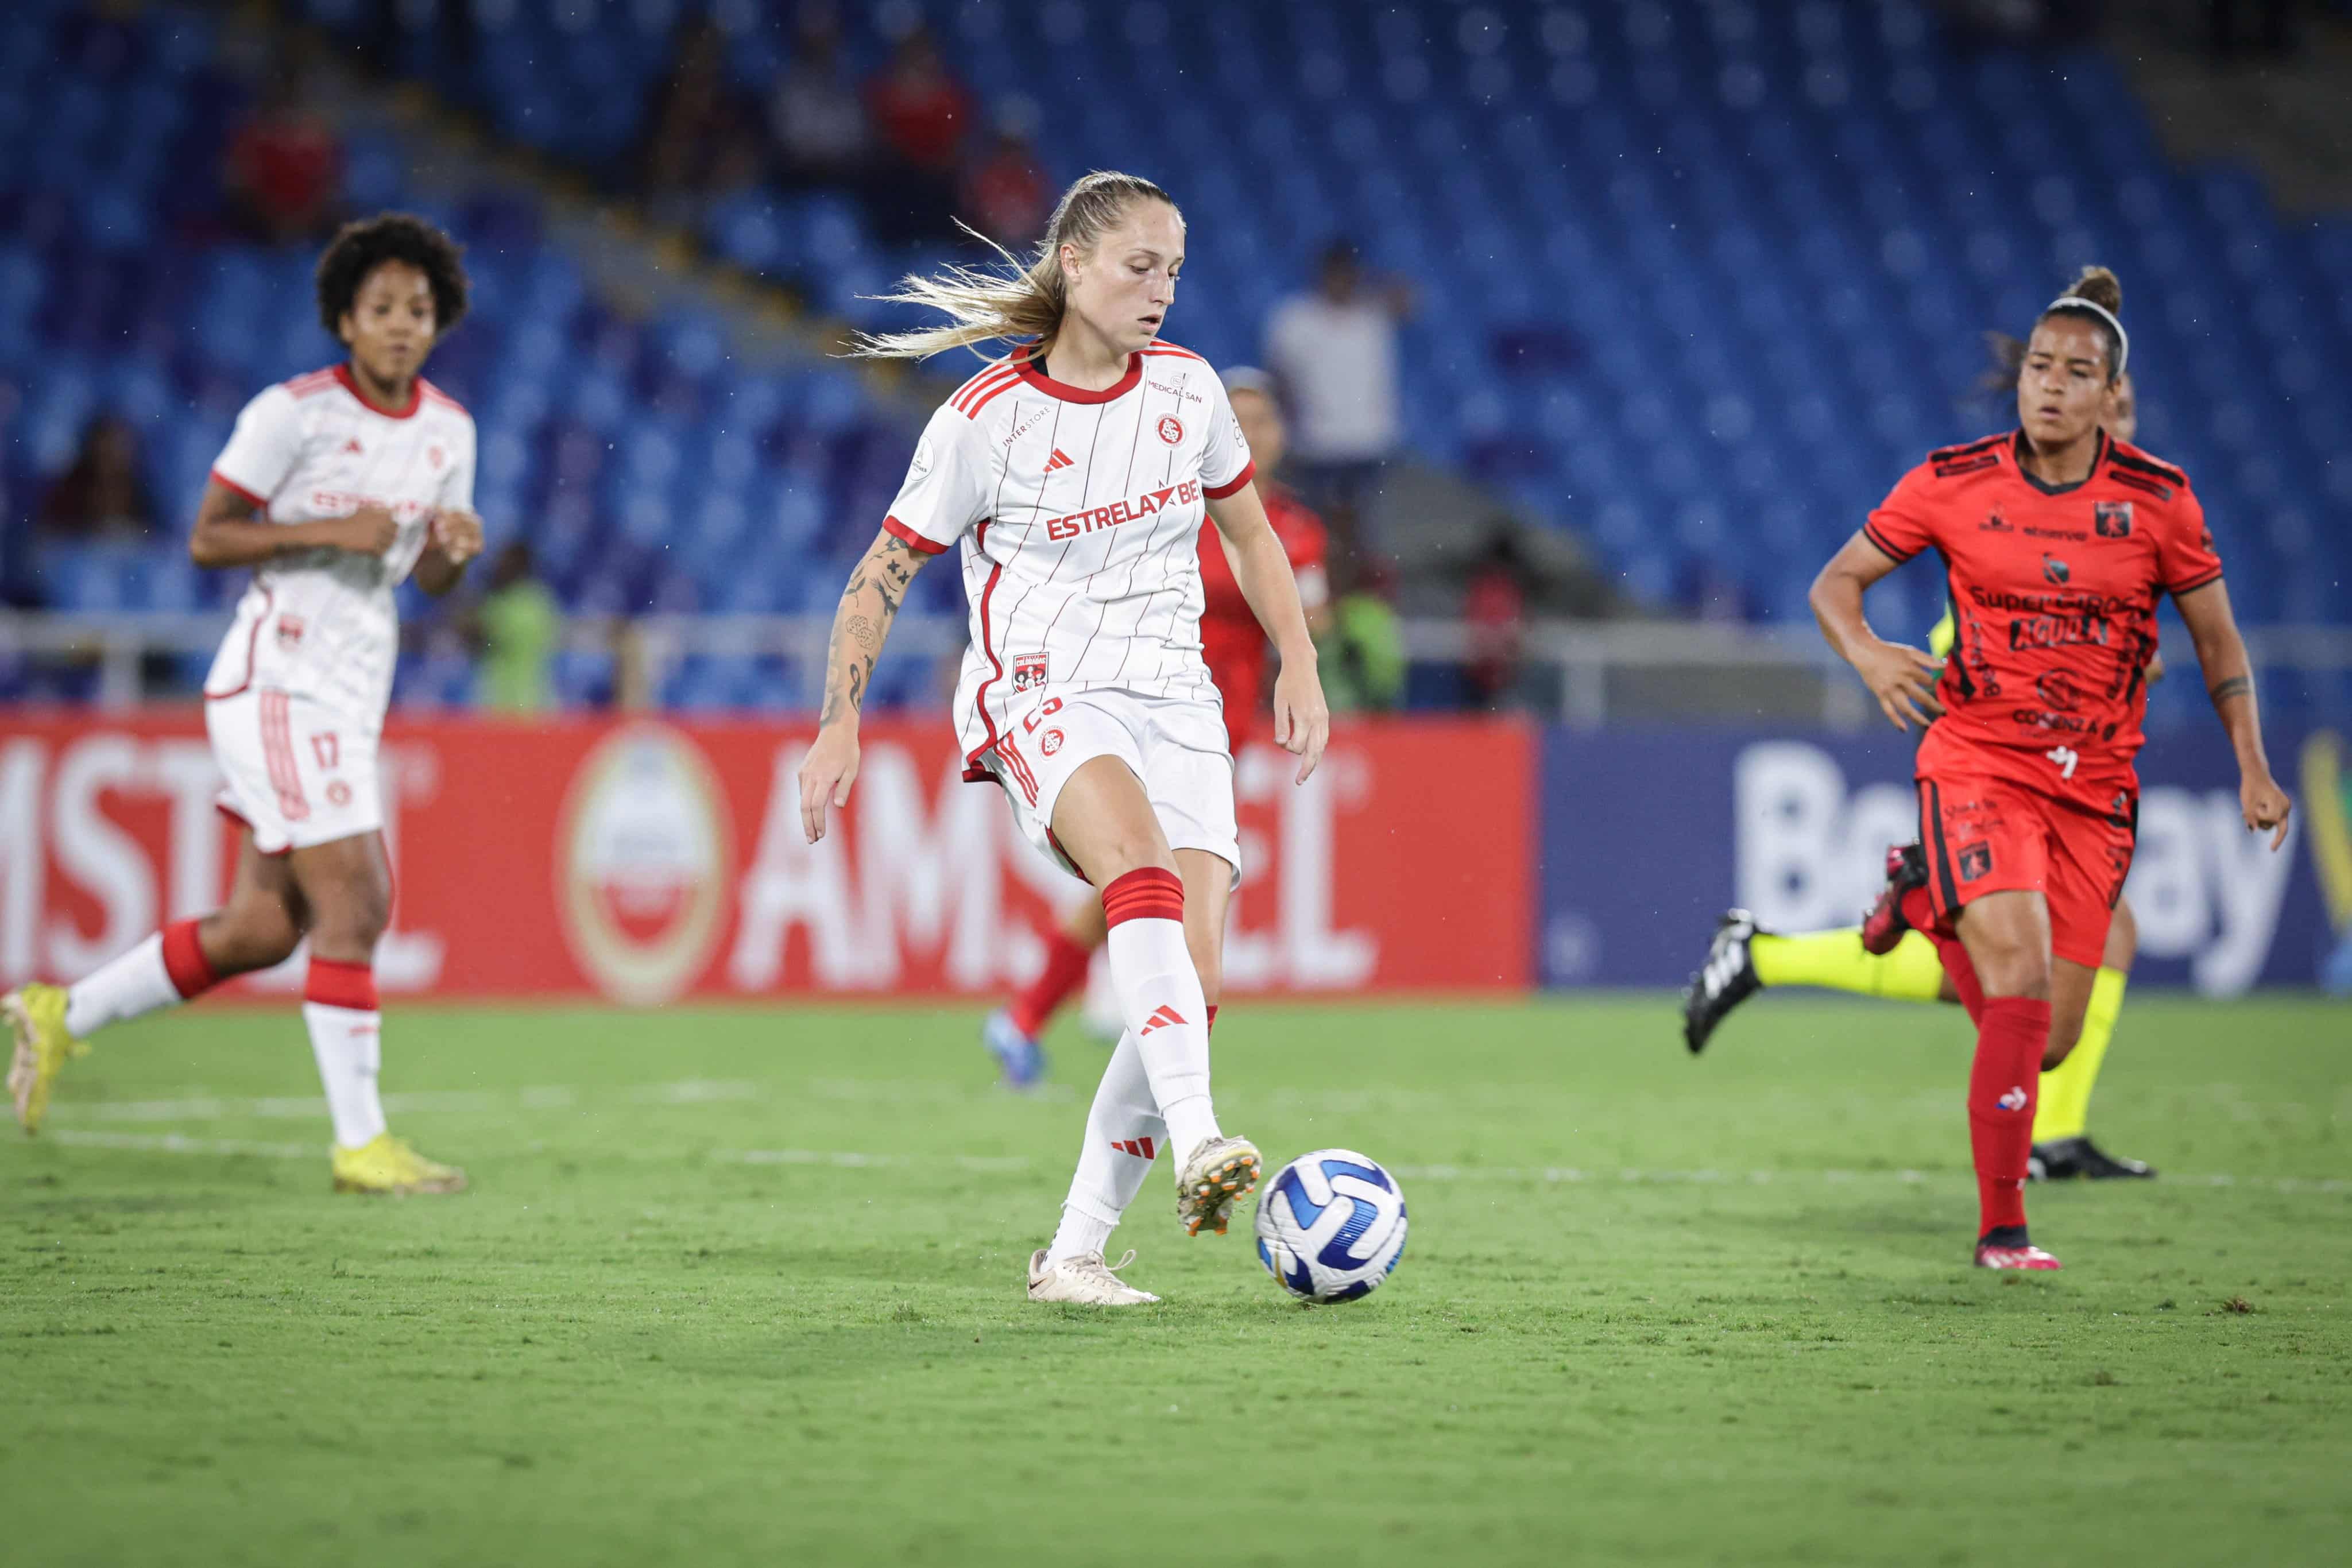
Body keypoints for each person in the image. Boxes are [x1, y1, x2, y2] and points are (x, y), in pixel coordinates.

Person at [800, 172, 1329, 1305]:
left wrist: (1299, 657)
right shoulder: (983, 421)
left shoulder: (1189, 393)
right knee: (1134, 873)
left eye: (1175, 270)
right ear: (1075, 263)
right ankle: (1200, 1140)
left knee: (1183, 988)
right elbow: (881, 571)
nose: (1161, 290)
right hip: (1040, 689)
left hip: (1175, 698)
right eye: (1140, 266)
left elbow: (1247, 528)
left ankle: (1075, 1256)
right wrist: (838, 718)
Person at [1803, 266, 2290, 1271]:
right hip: (1978, 758)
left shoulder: (2160, 502)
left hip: (2096, 787)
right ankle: (2002, 1231)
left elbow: (2219, 646)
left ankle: (1923, 899)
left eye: (2074, 371)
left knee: (2049, 1037)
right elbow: (1835, 582)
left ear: (2110, 393)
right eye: (2037, 366)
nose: (2050, 386)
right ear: (2019, 377)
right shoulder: (1950, 481)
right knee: (2018, 976)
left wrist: (2252, 764)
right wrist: (1865, 651)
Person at [5, 213, 485, 1197]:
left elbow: (425, 578)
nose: (402, 325)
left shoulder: (450, 431)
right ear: (345, 318)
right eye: (383, 307)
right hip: (279, 675)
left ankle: (57, 1013)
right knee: (361, 897)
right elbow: (208, 537)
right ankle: (361, 1144)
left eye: (420, 310)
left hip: (355, 687)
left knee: (262, 929)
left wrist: (448, 554)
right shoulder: (292, 414)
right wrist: (326, 531)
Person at [1685, 369, 2163, 1182]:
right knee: (2027, 964)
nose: (2117, 425)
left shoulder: (2125, 521)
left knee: (2041, 957)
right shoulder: (2028, 517)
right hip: (1991, 768)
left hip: (2058, 771)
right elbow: (1972, 640)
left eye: (2124, 410)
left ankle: (1764, 957)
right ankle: (2051, 1134)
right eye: (2108, 408)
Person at [979, 365, 1332, 1089]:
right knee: (1148, 876)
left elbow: (1314, 615)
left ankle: (1036, 1016)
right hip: (1137, 708)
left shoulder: (1294, 530)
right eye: (1241, 419)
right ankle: (1072, 1021)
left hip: (1218, 728)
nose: (1254, 433)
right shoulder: (1173, 507)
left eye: (1265, 420)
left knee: (1139, 884)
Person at [1263, 239, 1411, 526]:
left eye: (1347, 274)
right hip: (1316, 446)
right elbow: (1279, 383)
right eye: (1335, 274)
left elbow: (1410, 299)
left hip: (1370, 444)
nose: (1341, 282)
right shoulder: (1296, 320)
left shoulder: (1372, 314)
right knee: (1317, 534)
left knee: (1369, 537)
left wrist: (1370, 281)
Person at [471, 541, 562, 714]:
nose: (498, 566)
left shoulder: (502, 604)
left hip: (501, 699)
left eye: (504, 562)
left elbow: (479, 634)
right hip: (538, 698)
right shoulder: (542, 600)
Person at [37, 416, 157, 539]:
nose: (108, 453)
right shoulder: (73, 484)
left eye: (114, 448)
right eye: (104, 446)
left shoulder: (136, 486)